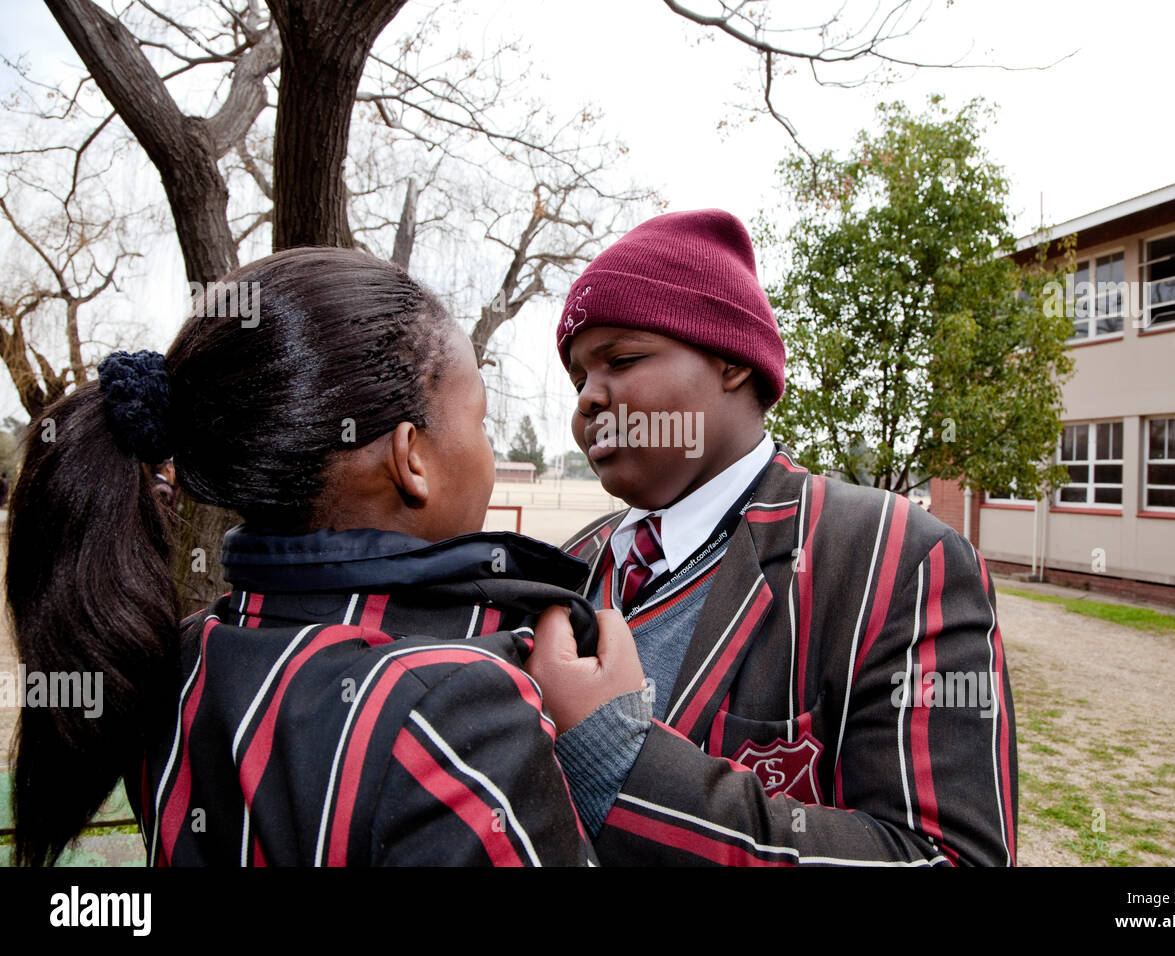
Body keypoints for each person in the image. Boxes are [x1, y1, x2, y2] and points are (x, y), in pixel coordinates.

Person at [6, 247, 633, 867]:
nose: (489, 452)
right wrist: (608, 744)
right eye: (481, 421)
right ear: (412, 458)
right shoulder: (455, 706)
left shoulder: (173, 658)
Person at [525, 209, 1018, 866]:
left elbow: (948, 857)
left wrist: (620, 764)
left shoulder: (894, 559)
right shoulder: (567, 569)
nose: (588, 400)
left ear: (731, 361)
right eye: (578, 377)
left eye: (623, 357)